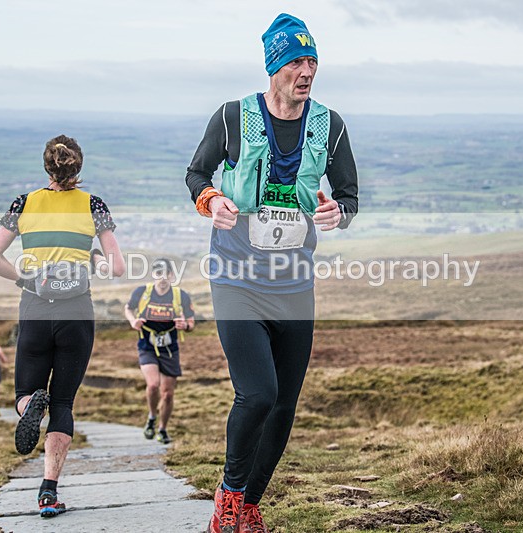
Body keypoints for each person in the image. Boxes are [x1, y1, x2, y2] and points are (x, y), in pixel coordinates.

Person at [185, 13, 358, 533]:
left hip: (293, 283)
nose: (306, 72)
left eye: (313, 62)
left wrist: (338, 214)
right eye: (297, 62)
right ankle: (229, 495)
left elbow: (349, 198)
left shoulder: (331, 125)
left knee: (284, 404)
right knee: (257, 392)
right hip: (236, 276)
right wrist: (210, 199)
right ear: (275, 66)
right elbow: (196, 173)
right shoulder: (233, 117)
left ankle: (252, 503)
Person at [0, 135, 126, 518]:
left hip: (35, 308)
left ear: (48, 167)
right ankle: (49, 492)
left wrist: (23, 279)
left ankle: (30, 405)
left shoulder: (24, 203)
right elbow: (118, 267)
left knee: (25, 392)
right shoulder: (94, 205)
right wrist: (93, 257)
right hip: (76, 312)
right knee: (63, 402)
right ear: (78, 168)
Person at [124, 258, 195, 445]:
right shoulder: (142, 292)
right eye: (158, 274)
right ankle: (152, 416)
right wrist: (133, 322)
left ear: (172, 276)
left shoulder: (181, 296)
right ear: (153, 275)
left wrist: (185, 325)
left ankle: (162, 429)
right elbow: (128, 309)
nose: (162, 278)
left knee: (168, 393)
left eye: (166, 274)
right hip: (147, 344)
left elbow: (191, 322)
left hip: (170, 348)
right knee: (154, 384)